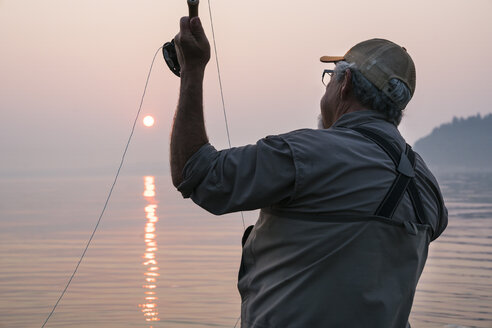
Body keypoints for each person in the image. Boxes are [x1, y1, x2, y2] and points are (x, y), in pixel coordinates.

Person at [170, 16, 448, 328]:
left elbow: (196, 173)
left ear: (345, 86)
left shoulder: (305, 154)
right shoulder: (427, 188)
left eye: (330, 78)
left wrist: (192, 70)